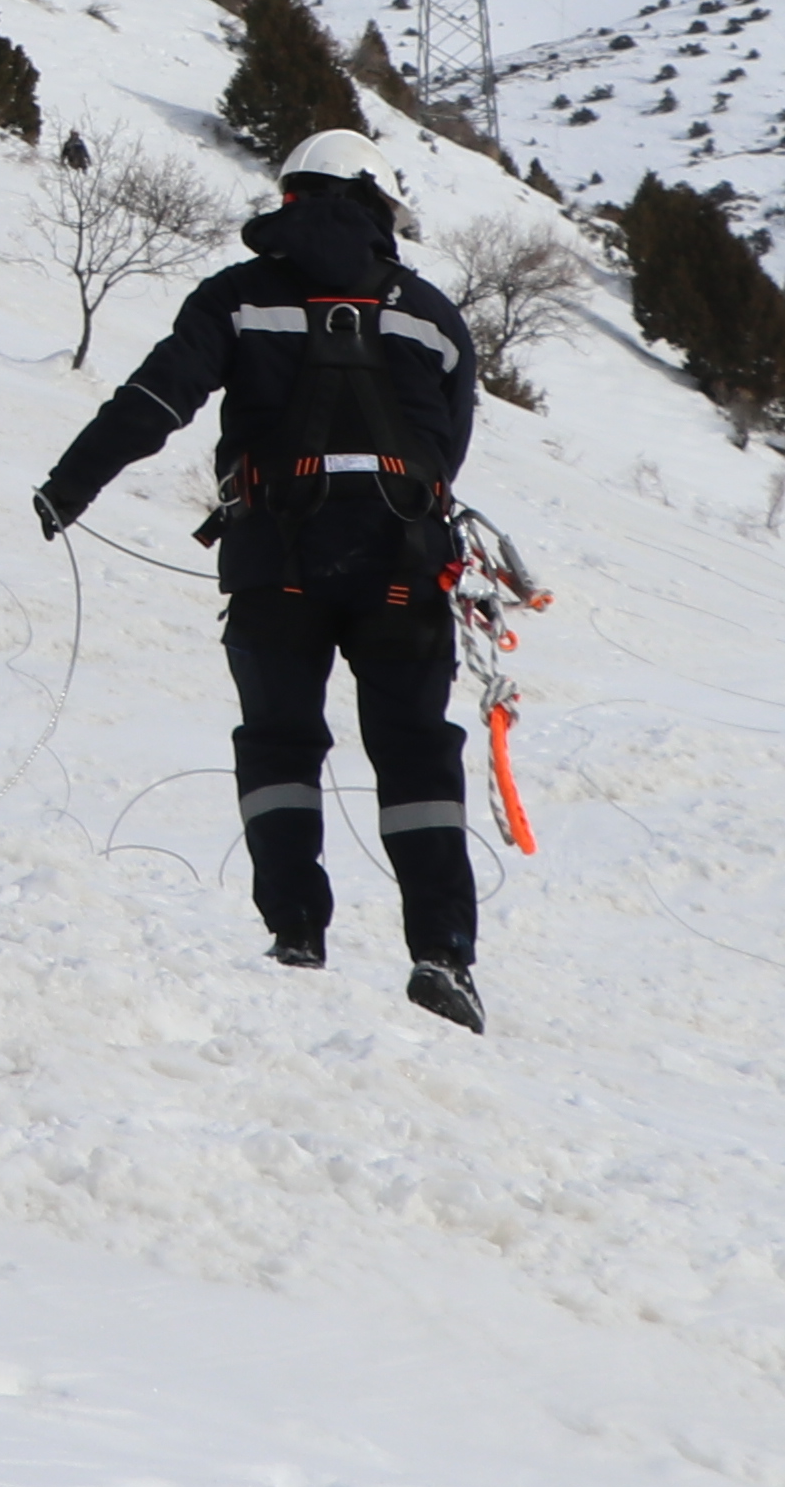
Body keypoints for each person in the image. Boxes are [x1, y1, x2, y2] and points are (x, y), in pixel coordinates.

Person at [32, 129, 493, 1030]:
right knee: (415, 753)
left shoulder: (236, 299)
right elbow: (451, 450)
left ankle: (296, 941)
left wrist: (69, 486)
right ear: (377, 207)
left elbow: (157, 400)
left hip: (275, 561)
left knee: (281, 749)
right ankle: (442, 958)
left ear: (292, 198)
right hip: (405, 567)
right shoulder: (433, 315)